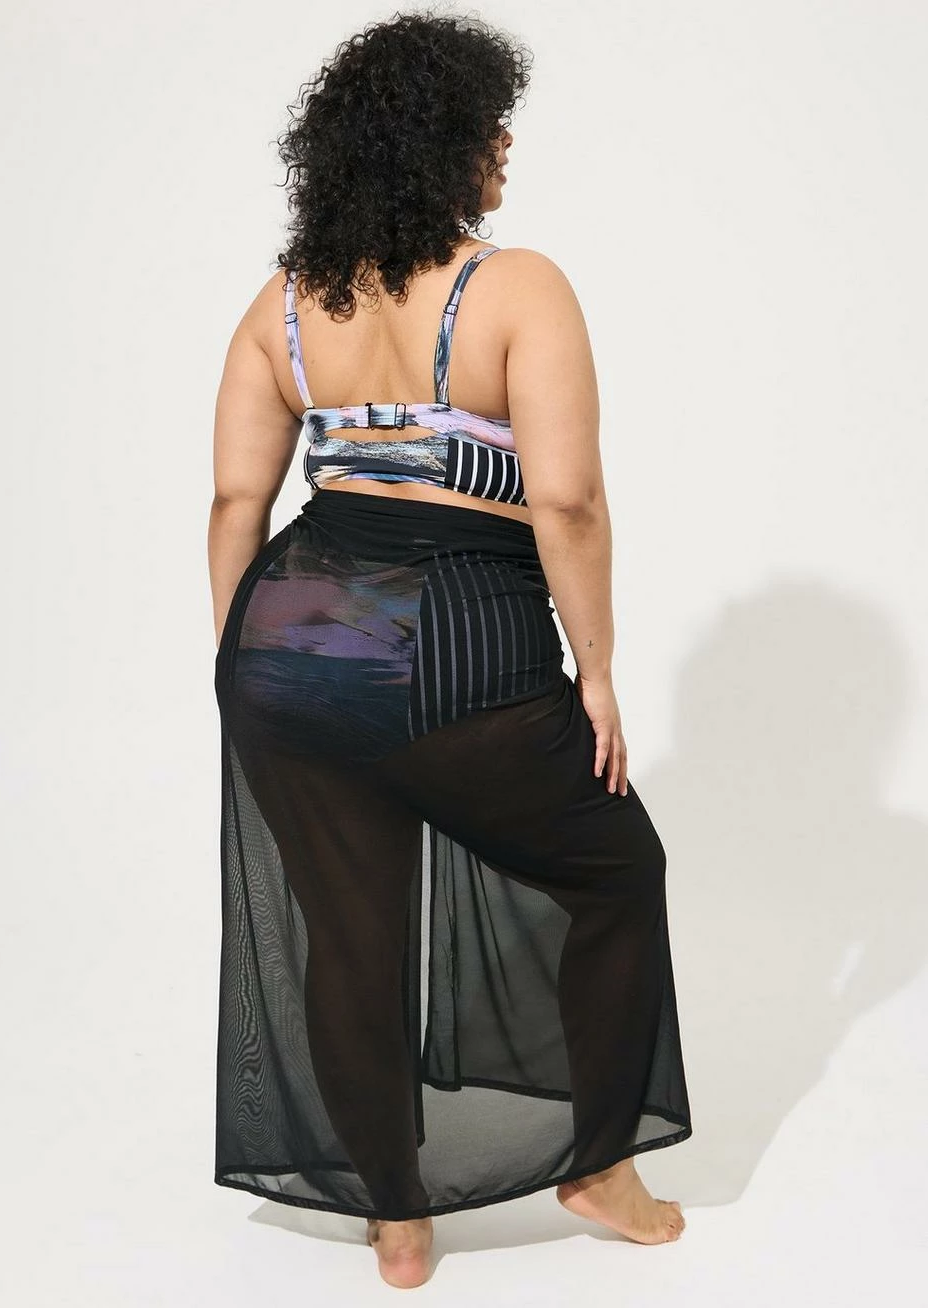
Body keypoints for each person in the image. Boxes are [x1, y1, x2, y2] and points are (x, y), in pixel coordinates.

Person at [208, 10, 691, 1290]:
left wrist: (239, 671)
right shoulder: (514, 286)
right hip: (456, 645)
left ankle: (396, 1220)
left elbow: (236, 502)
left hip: (285, 638)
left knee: (352, 934)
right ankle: (600, 1164)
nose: (505, 144)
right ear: (440, 144)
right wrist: (595, 669)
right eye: (489, 125)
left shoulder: (285, 302)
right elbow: (567, 502)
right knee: (617, 870)